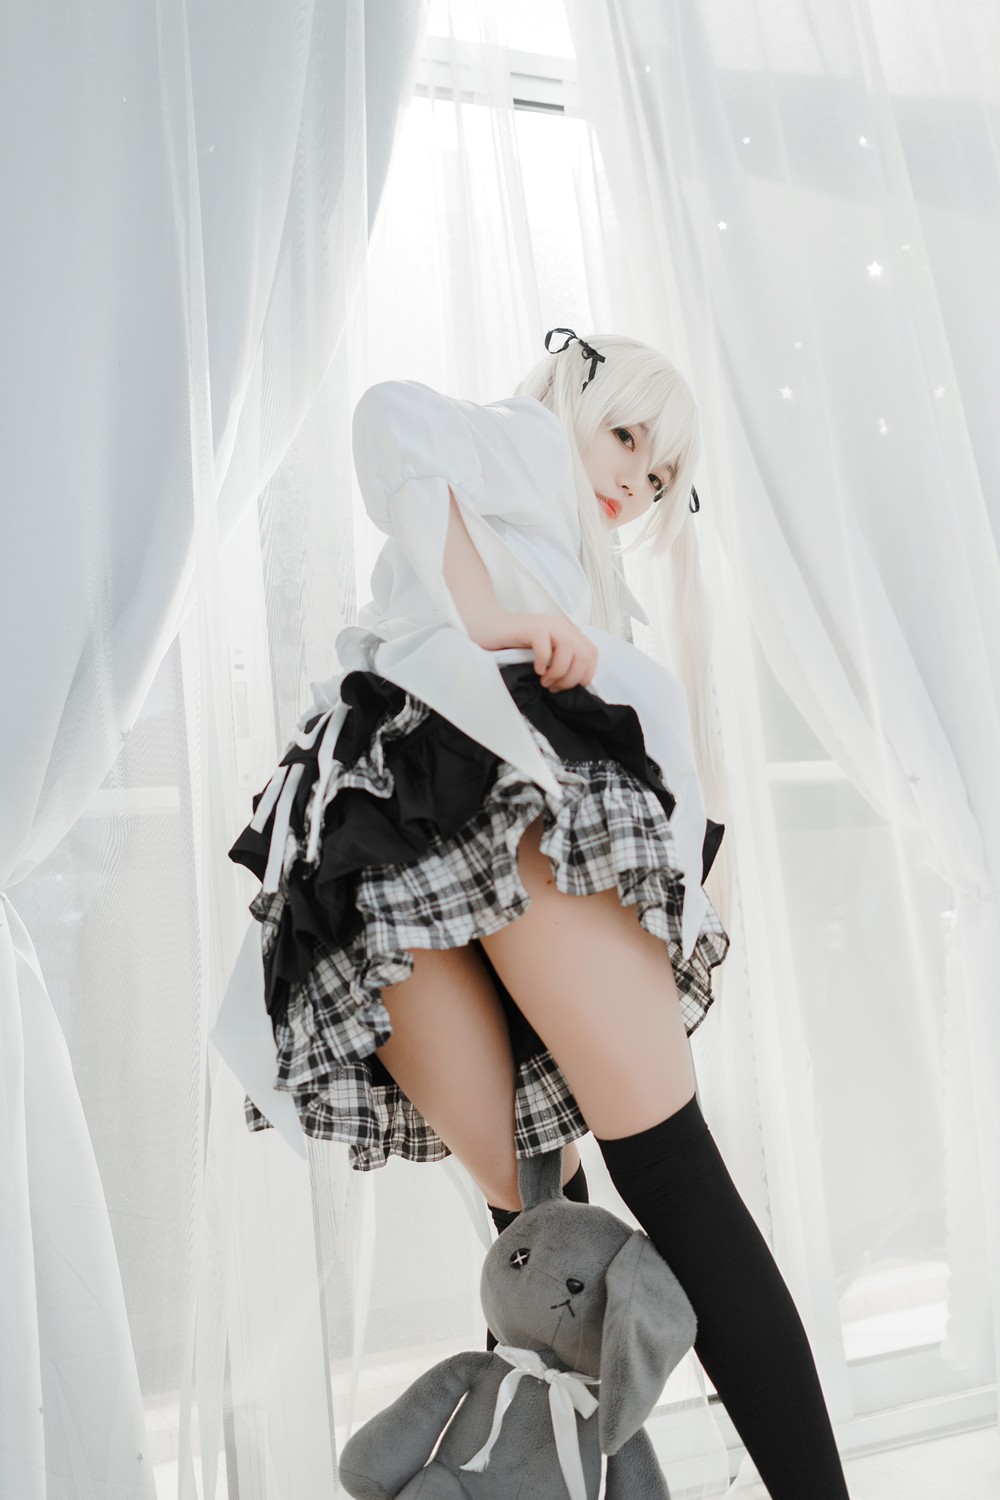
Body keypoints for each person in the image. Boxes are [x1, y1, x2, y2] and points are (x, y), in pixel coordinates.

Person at [228, 330, 851, 1497]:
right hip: (462, 784)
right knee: (654, 1183)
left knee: (540, 1225)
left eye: (658, 476)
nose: (633, 481)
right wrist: (482, 618)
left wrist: (490, 614)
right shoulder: (525, 443)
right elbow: (386, 414)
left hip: (364, 835)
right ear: (572, 398)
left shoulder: (555, 542)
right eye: (625, 437)